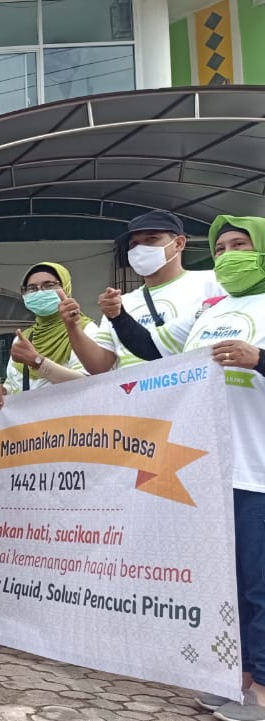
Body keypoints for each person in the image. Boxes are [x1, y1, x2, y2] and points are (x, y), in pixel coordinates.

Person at [150, 216, 265, 721]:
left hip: (259, 470)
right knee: (230, 582)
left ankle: (263, 689)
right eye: (220, 247)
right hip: (214, 468)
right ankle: (239, 678)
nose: (228, 254)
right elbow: (157, 357)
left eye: (240, 244)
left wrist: (257, 359)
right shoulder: (212, 308)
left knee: (261, 585)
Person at [60, 210, 222, 373]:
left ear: (179, 243)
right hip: (134, 396)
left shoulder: (211, 283)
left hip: (191, 393)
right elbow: (100, 366)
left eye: (151, 239)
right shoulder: (119, 304)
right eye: (134, 244)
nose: (140, 249)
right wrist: (73, 327)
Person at [0, 262, 95, 410]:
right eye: (32, 288)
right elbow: (16, 384)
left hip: (70, 425)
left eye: (48, 285)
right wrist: (2, 390)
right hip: (33, 427)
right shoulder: (24, 338)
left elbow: (89, 384)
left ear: (65, 288)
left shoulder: (84, 330)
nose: (39, 292)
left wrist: (38, 363)